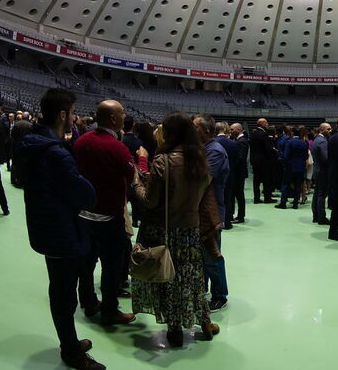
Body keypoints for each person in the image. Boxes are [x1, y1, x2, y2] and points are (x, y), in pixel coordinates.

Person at [21, 88, 104, 370]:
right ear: (62, 114)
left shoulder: (34, 144)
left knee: (62, 290)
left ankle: (70, 342)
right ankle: (70, 351)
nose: (74, 117)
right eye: (71, 112)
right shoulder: (56, 154)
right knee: (64, 294)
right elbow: (86, 195)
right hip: (60, 231)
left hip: (47, 226)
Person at [131, 112, 220, 347]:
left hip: (166, 231)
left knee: (169, 279)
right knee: (192, 278)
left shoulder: (163, 161)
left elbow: (150, 201)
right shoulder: (200, 161)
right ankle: (204, 321)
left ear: (170, 134)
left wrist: (137, 182)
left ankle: (174, 330)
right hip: (190, 230)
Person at [72, 100, 142, 326]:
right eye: (122, 113)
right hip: (109, 216)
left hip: (84, 213)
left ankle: (88, 301)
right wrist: (142, 160)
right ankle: (110, 310)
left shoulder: (81, 141)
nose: (125, 116)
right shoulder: (117, 147)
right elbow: (133, 177)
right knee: (111, 266)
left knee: (87, 262)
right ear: (113, 118)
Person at [194, 114, 229, 311]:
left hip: (212, 212)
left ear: (205, 130)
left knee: (212, 255)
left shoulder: (215, 151)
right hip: (204, 211)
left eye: (195, 127)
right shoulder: (205, 149)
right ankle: (204, 288)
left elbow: (202, 179)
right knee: (202, 254)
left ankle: (220, 296)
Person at [214, 122, 237, 230]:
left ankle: (217, 222)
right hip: (230, 175)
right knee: (228, 199)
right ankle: (227, 222)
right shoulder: (233, 143)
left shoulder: (213, 143)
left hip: (217, 176)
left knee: (216, 200)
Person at [249, 118, 276, 203]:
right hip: (264, 160)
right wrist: (273, 149)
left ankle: (256, 198)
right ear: (262, 124)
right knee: (266, 179)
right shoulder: (263, 134)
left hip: (254, 160)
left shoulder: (253, 133)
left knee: (256, 180)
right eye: (266, 123)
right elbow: (267, 148)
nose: (267, 124)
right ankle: (267, 198)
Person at [311, 123, 331, 225]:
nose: (330, 130)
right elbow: (325, 158)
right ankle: (321, 217)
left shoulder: (317, 139)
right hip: (323, 171)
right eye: (328, 129)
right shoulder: (323, 141)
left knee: (317, 194)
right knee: (321, 195)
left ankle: (316, 215)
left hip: (317, 170)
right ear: (322, 130)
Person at [228, 123, 248, 224]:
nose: (230, 131)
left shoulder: (242, 141)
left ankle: (240, 216)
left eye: (232, 130)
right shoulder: (238, 141)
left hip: (239, 173)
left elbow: (240, 158)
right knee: (236, 194)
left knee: (239, 195)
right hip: (238, 172)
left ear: (238, 129)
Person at [10, 111, 34, 188]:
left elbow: (12, 135)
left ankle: (14, 180)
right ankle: (22, 181)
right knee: (24, 165)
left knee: (15, 163)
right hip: (26, 147)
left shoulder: (16, 124)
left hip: (17, 146)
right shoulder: (31, 125)